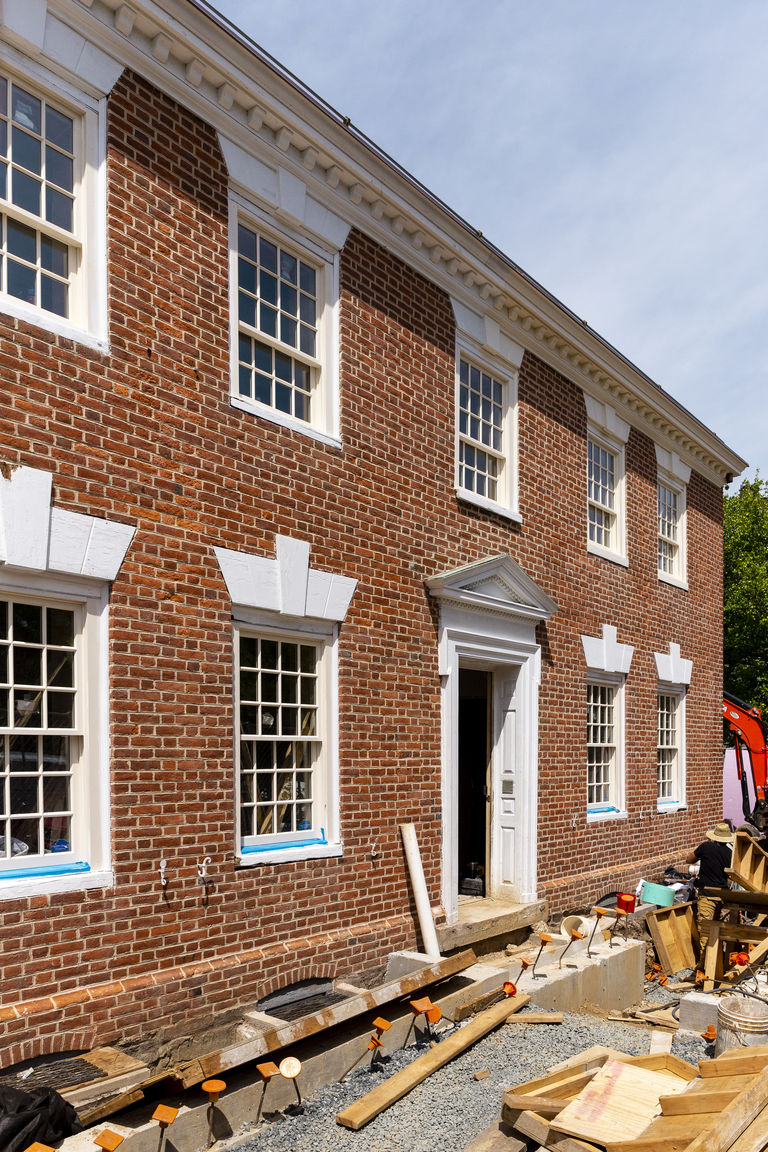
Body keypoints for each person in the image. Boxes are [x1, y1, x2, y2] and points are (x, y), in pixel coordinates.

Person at [685, 821, 734, 969]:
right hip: (724, 896)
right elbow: (731, 876)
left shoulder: (705, 847)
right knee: (722, 930)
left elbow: (689, 860)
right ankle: (722, 962)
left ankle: (704, 964)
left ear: (714, 836)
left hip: (707, 894)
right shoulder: (730, 854)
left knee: (705, 930)